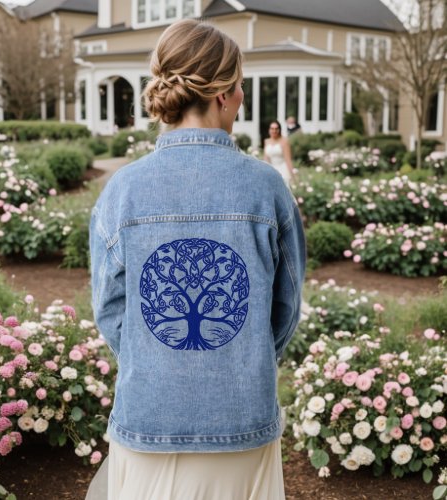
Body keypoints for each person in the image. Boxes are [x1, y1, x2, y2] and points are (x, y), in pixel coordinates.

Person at [87, 18, 306, 500]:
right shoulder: (266, 187)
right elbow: (285, 308)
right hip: (241, 417)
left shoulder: (122, 189)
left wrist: (156, 359)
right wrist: (241, 356)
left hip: (148, 414)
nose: (243, 96)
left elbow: (111, 309)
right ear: (225, 94)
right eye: (242, 86)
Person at [263, 120, 296, 185]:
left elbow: (288, 160)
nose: (274, 131)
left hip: (283, 171)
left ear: (279, 130)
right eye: (272, 128)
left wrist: (293, 177)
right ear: (269, 130)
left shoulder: (284, 141)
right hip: (271, 170)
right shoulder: (266, 141)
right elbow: (266, 159)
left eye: (276, 129)